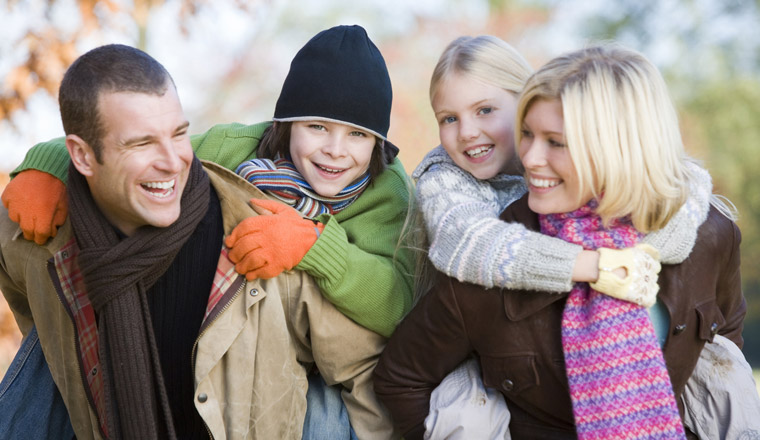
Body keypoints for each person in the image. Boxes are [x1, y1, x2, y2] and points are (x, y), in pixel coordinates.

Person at [1, 25, 413, 439]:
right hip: (236, 342)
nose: (336, 150)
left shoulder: (386, 193)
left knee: (323, 410)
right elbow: (140, 149)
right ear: (286, 123)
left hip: (321, 361)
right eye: (318, 127)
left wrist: (314, 246)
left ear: (378, 143)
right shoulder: (237, 146)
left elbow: (397, 302)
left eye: (358, 134)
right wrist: (45, 166)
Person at [374, 44, 751, 439]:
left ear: (616, 144)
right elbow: (402, 378)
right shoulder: (490, 261)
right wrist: (592, 265)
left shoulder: (705, 233)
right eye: (527, 135)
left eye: (555, 141)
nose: (530, 158)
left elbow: (725, 346)